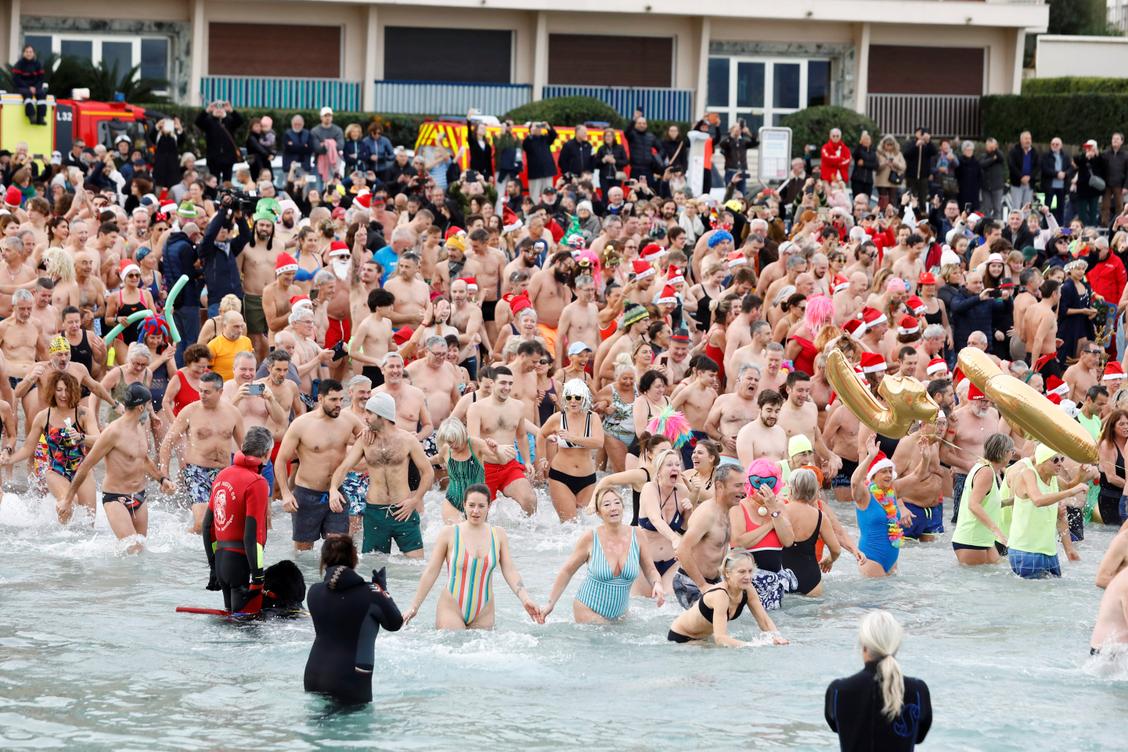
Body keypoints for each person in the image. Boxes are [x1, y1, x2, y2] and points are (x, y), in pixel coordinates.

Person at [402, 484, 542, 630]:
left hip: (484, 611)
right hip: (451, 608)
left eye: (481, 506)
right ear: (464, 505)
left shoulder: (498, 535)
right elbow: (431, 571)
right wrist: (414, 607)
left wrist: (526, 599)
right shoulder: (449, 533)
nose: (475, 511)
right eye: (471, 505)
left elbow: (510, 570)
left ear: (489, 506)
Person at [63, 383, 176, 553]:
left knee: (141, 551)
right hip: (115, 498)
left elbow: (143, 459)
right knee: (133, 549)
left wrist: (162, 479)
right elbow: (85, 466)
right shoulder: (113, 432)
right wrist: (67, 499)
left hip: (139, 496)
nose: (150, 408)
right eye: (148, 404)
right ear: (140, 407)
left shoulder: (139, 427)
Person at [328, 392, 432, 559]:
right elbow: (344, 467)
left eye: (369, 413)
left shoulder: (408, 440)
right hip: (375, 512)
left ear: (382, 415)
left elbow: (428, 472)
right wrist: (333, 489)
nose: (365, 417)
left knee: (415, 567)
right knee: (373, 567)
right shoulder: (365, 441)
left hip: (403, 510)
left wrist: (415, 500)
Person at [541, 487, 664, 623]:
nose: (613, 508)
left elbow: (650, 569)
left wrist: (657, 583)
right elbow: (567, 571)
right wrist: (550, 604)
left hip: (620, 615)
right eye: (607, 505)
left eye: (617, 503)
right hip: (587, 609)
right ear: (599, 513)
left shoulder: (638, 535)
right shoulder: (590, 538)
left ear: (623, 507)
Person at [305, 535, 403, 705]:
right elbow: (395, 623)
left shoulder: (313, 591)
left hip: (313, 675)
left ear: (324, 560)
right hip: (350, 680)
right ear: (354, 558)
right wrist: (382, 590)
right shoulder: (371, 593)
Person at [825, 610, 932, 752]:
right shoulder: (918, 690)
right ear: (896, 647)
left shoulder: (838, 690)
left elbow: (836, 727)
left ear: (864, 647)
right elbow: (919, 737)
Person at [276, 380, 364, 551]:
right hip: (307, 494)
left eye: (341, 399)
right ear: (321, 399)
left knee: (339, 548)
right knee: (304, 551)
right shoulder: (301, 424)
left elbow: (368, 439)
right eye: (333, 400)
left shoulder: (349, 420)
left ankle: (335, 577)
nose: (338, 404)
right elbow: (280, 460)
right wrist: (286, 493)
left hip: (336, 493)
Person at [2, 371, 98, 522]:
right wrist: (9, 459)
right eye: (59, 390)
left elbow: (98, 440)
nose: (63, 394)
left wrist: (81, 438)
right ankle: (59, 543)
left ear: (73, 391)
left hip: (82, 469)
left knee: (89, 519)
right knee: (68, 504)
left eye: (67, 390)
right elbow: (28, 448)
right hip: (56, 471)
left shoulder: (83, 414)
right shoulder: (43, 416)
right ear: (52, 391)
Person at [158, 371, 245, 532]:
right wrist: (164, 475)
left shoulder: (233, 413)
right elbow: (167, 443)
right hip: (196, 471)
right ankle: (184, 551)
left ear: (220, 392)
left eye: (207, 392)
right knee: (201, 524)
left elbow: (244, 448)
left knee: (223, 524)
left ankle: (213, 555)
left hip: (224, 472)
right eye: (200, 390)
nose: (202, 395)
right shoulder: (190, 411)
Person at [201, 426, 273, 613]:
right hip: (240, 563)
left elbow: (207, 526)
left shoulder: (223, 474)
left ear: (242, 446)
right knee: (245, 632)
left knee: (229, 622)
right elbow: (252, 535)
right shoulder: (257, 483)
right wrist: (258, 578)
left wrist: (213, 566)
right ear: (266, 454)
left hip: (222, 561)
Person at [667, 550, 787, 647]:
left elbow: (764, 620)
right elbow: (720, 638)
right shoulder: (721, 595)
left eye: (750, 571)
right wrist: (753, 645)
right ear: (727, 573)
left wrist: (777, 637)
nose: (748, 576)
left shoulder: (748, 589)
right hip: (682, 638)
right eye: (741, 572)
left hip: (703, 638)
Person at [1007, 443, 1086, 579]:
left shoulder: (1053, 478)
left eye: (1062, 459)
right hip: (1026, 551)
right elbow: (1038, 500)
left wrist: (1069, 550)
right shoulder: (1028, 474)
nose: (1060, 464)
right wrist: (1071, 492)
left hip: (1049, 551)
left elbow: (1067, 487)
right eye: (1055, 460)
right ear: (1042, 460)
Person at [536, 379, 604, 521]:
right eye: (569, 397)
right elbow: (541, 435)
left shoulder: (593, 418)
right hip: (561, 476)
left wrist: (572, 438)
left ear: (584, 398)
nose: (573, 401)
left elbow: (599, 442)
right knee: (569, 524)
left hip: (587, 479)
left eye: (577, 397)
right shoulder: (557, 418)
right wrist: (541, 458)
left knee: (583, 525)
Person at [851, 440, 911, 577]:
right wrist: (870, 456)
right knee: (876, 598)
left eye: (890, 471)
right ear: (873, 475)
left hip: (892, 559)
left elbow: (919, 477)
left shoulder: (892, 493)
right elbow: (855, 483)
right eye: (884, 471)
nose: (889, 475)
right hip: (871, 558)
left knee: (891, 598)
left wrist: (925, 458)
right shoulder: (865, 495)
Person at [951, 433, 1014, 565]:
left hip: (983, 539)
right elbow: (973, 505)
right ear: (1004, 453)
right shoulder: (986, 472)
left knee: (998, 573)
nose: (1012, 454)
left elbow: (986, 503)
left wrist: (1010, 501)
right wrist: (997, 530)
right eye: (1011, 451)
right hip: (971, 540)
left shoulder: (986, 468)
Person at [782, 468, 840, 596]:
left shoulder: (779, 512)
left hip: (783, 580)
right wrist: (829, 560)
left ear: (790, 489)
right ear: (814, 490)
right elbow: (836, 550)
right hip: (811, 580)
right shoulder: (820, 517)